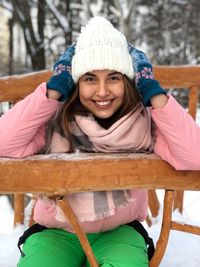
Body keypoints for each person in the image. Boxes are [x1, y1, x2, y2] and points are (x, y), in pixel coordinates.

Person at [0, 16, 200, 267]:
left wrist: (153, 92)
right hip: (56, 233)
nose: (102, 91)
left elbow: (194, 155)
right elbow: (3, 142)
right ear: (75, 83)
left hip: (120, 232)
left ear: (129, 82)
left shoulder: (142, 124)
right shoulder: (55, 123)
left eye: (114, 78)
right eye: (90, 78)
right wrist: (53, 91)